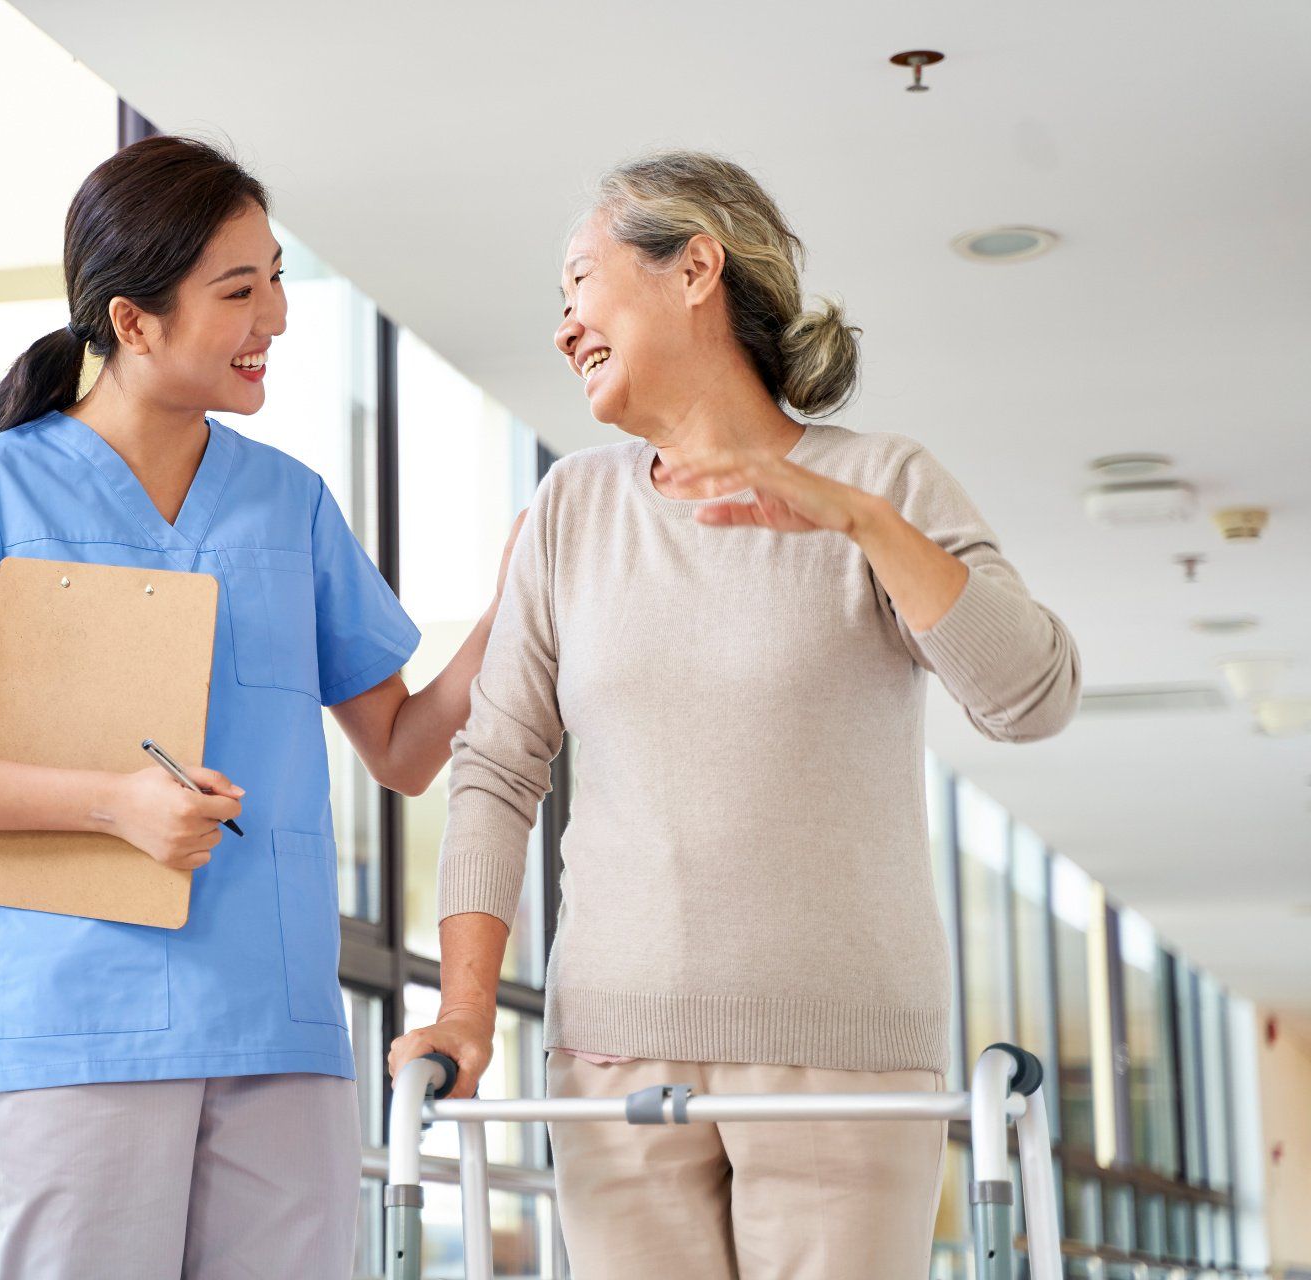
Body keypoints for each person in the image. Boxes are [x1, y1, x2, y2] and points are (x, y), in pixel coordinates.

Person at [388, 150, 1081, 1280]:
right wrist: (467, 1009)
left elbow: (1033, 696)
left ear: (695, 266)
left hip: (843, 1061)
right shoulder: (572, 506)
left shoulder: (885, 483)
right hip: (612, 1062)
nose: (565, 326)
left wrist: (858, 522)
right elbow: (498, 766)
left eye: (580, 283)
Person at [0, 135, 519, 1278]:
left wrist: (518, 602)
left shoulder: (287, 504)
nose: (279, 318)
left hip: (282, 1026)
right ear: (135, 319)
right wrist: (113, 804)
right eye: (239, 290)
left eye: (279, 279)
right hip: (80, 1026)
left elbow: (402, 750)